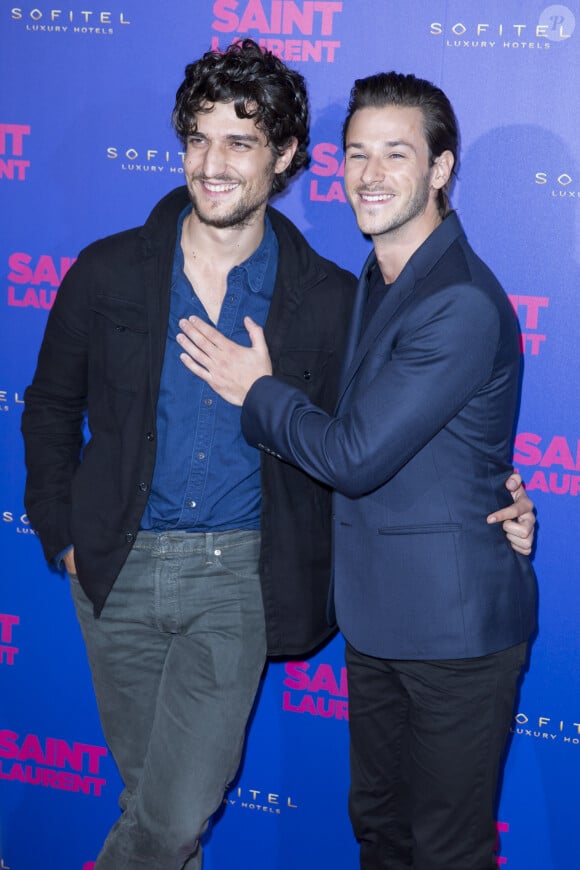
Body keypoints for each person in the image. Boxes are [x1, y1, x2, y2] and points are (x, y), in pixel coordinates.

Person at [21, 41, 534, 870]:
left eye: (240, 142)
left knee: (178, 806)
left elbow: (372, 438)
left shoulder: (331, 297)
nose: (212, 163)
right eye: (198, 139)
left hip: (238, 579)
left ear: (285, 156)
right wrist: (64, 534)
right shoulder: (106, 271)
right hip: (113, 569)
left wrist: (497, 488)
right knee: (153, 801)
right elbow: (47, 408)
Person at [177, 70, 538, 870]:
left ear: (440, 170)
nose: (370, 176)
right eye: (356, 155)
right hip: (380, 622)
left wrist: (255, 390)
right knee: (381, 834)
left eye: (396, 155)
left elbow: (352, 455)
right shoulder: (380, 280)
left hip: (453, 632)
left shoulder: (459, 302)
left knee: (444, 852)